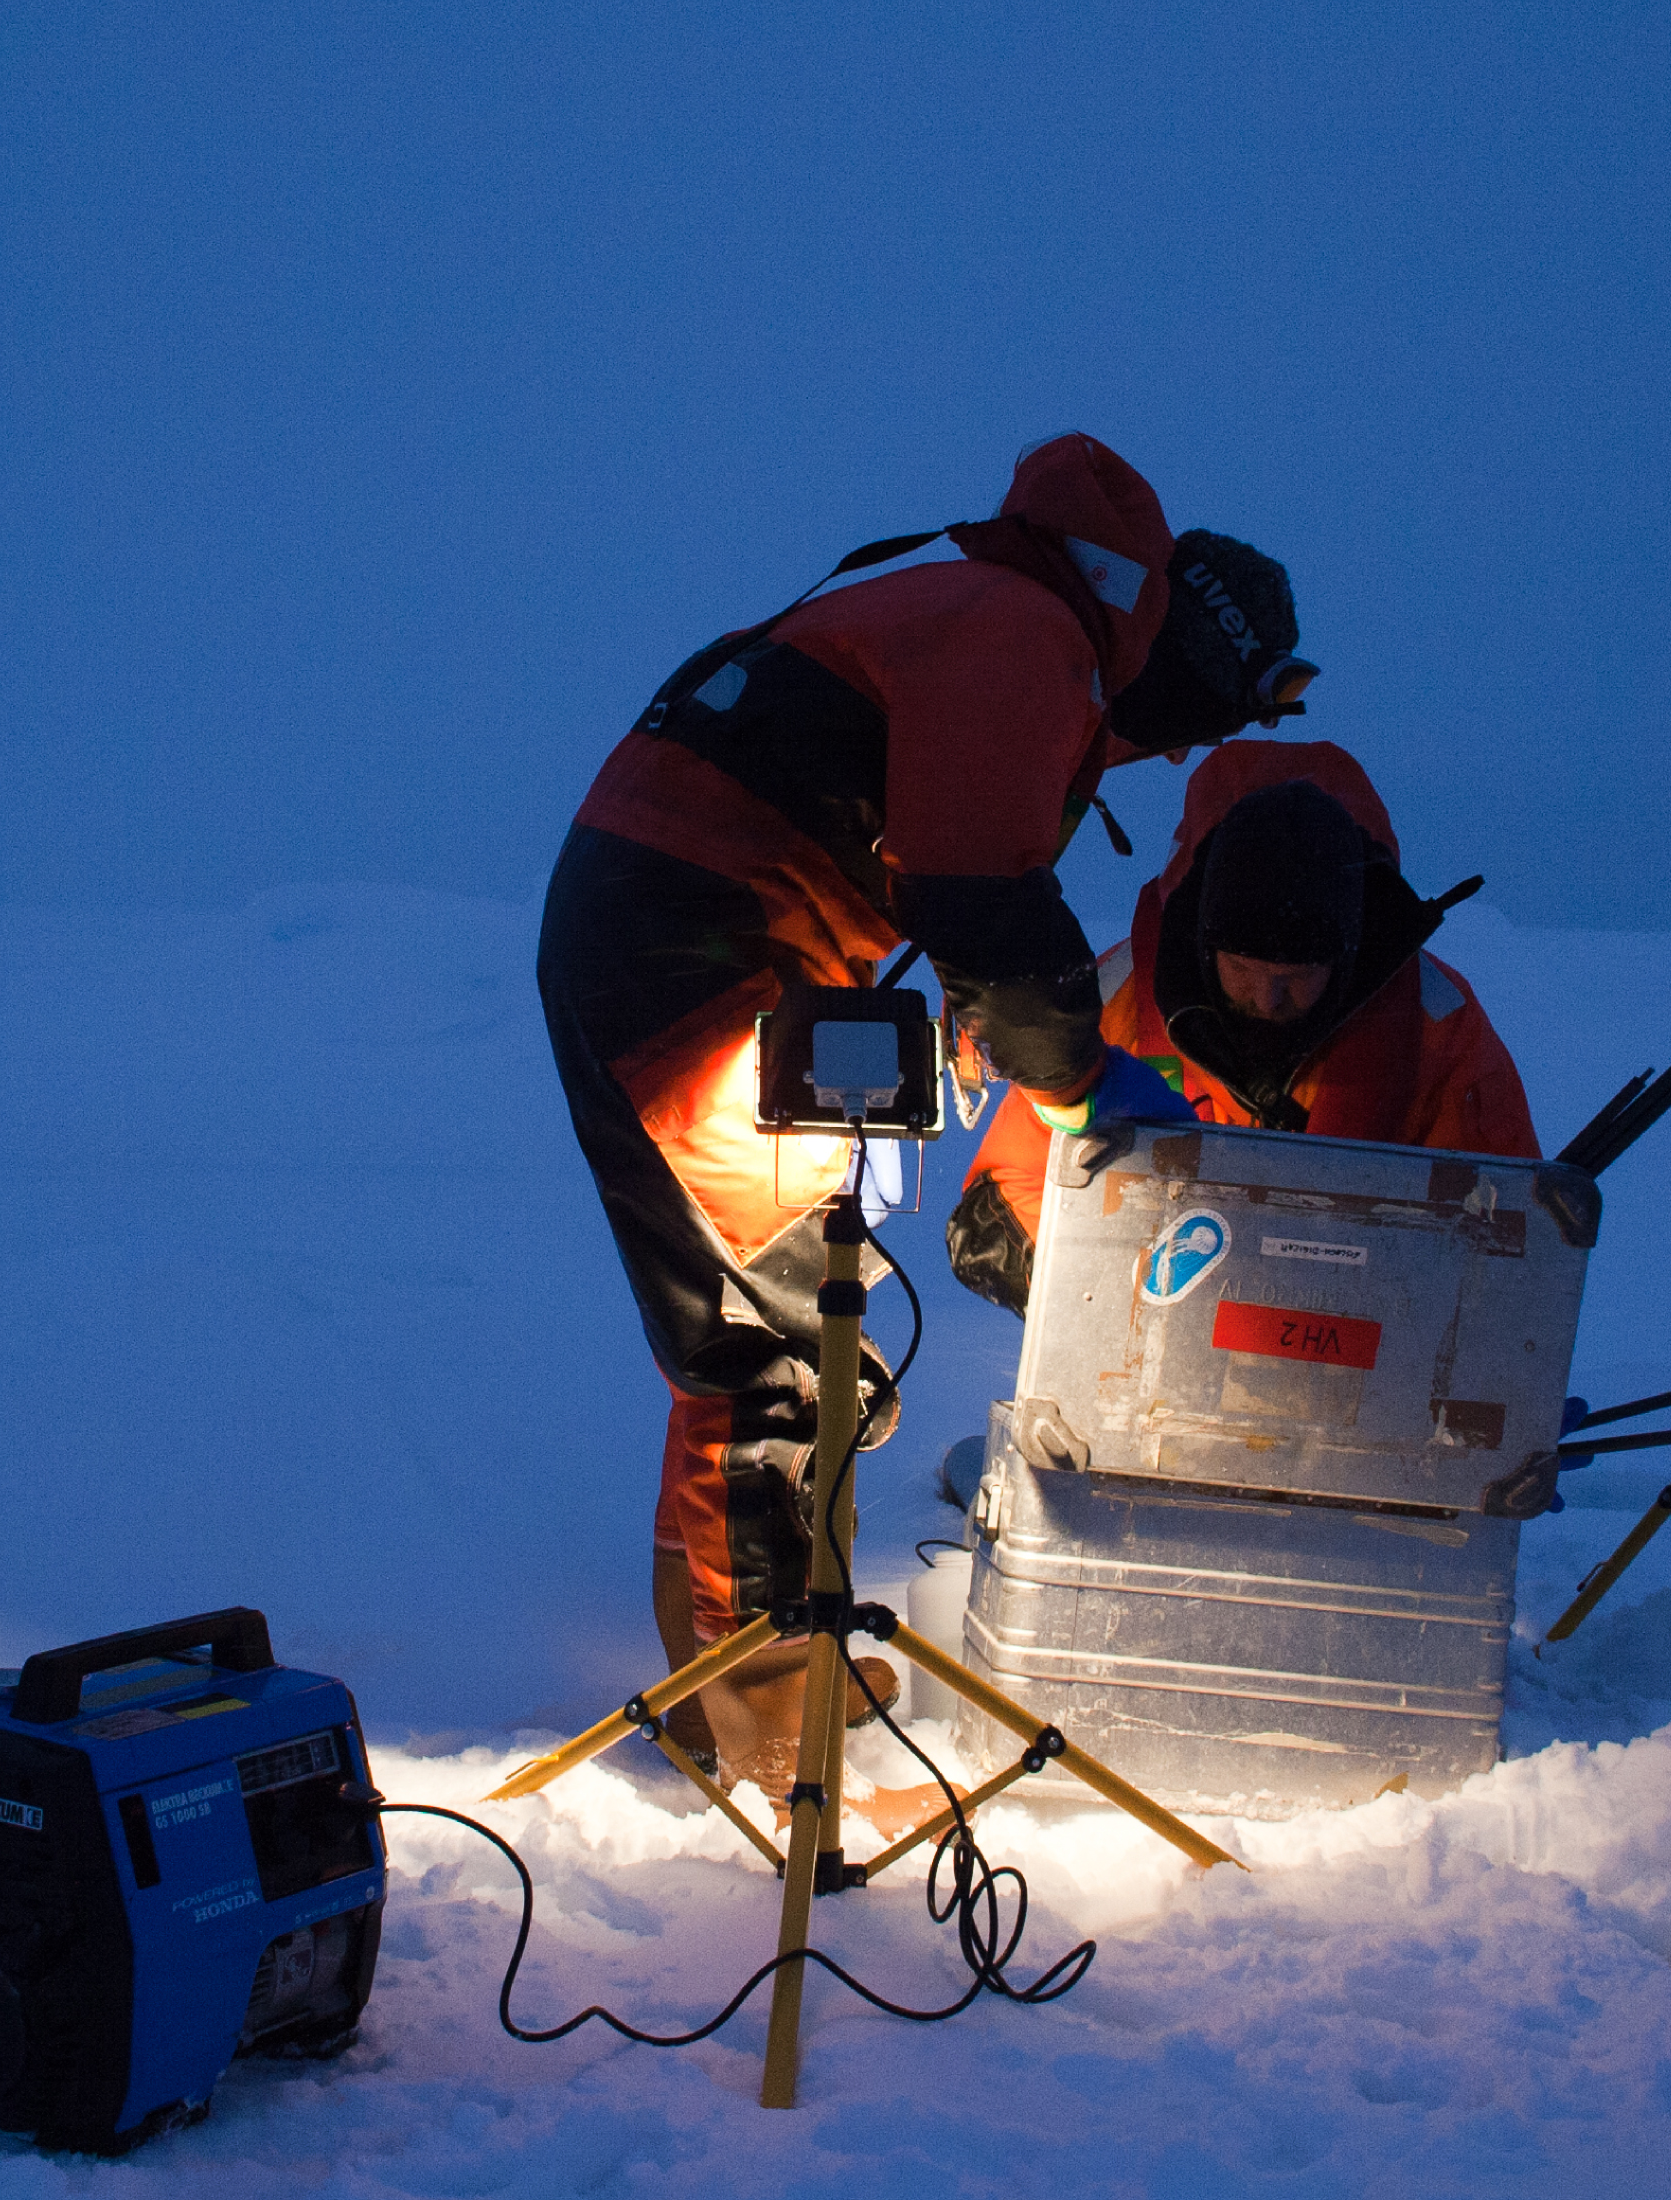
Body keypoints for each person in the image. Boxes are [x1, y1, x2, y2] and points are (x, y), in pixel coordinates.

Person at [538, 434, 1307, 1785]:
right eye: (1218, 711)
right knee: (774, 1347)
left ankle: (720, 1683)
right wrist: (1078, 1079)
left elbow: (923, 848)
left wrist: (970, 1017)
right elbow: (980, 895)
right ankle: (777, 1725)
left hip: (688, 939)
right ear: (1174, 647)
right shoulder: (1023, 638)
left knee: (764, 1322)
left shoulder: (974, 605)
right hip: (686, 958)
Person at [947, 739, 1539, 1313]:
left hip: (1363, 1378)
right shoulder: (1116, 997)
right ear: (1204, 946)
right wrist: (1113, 1299)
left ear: (1348, 954)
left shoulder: (1439, 1025)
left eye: (1297, 975)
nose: (1267, 997)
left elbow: (1510, 1238)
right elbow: (1006, 1200)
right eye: (1242, 969)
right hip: (1151, 1368)